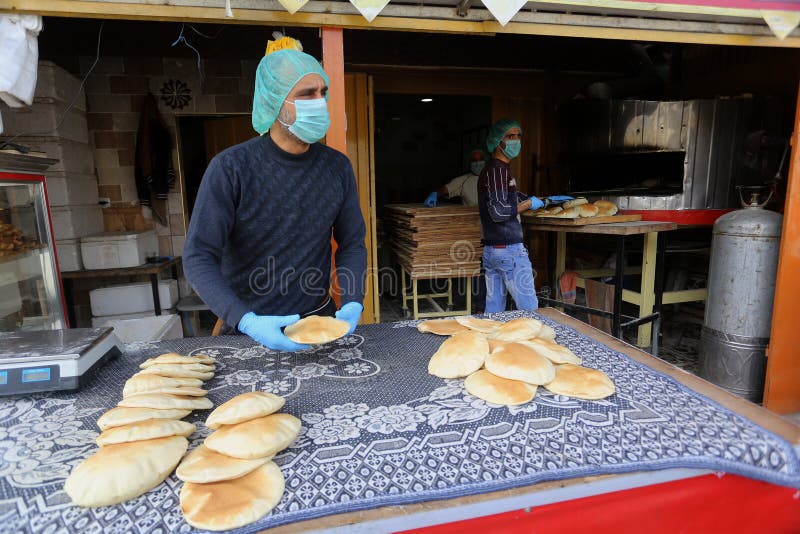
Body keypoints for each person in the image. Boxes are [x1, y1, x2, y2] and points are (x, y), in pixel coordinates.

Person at [183, 45, 367, 351]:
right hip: (249, 330)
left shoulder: (337, 168)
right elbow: (198, 256)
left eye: (323, 92)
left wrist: (351, 300)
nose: (319, 103)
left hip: (319, 321)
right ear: (274, 102)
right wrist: (244, 320)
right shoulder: (231, 168)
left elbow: (351, 243)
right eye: (306, 94)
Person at [477, 118, 570, 313]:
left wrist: (545, 200)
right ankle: (534, 343)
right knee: (529, 311)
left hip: (495, 251)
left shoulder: (498, 171)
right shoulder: (496, 171)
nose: (516, 140)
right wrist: (529, 203)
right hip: (508, 251)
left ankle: (494, 342)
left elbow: (511, 198)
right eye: (510, 136)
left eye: (518, 136)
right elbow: (499, 212)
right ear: (497, 141)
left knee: (494, 311)